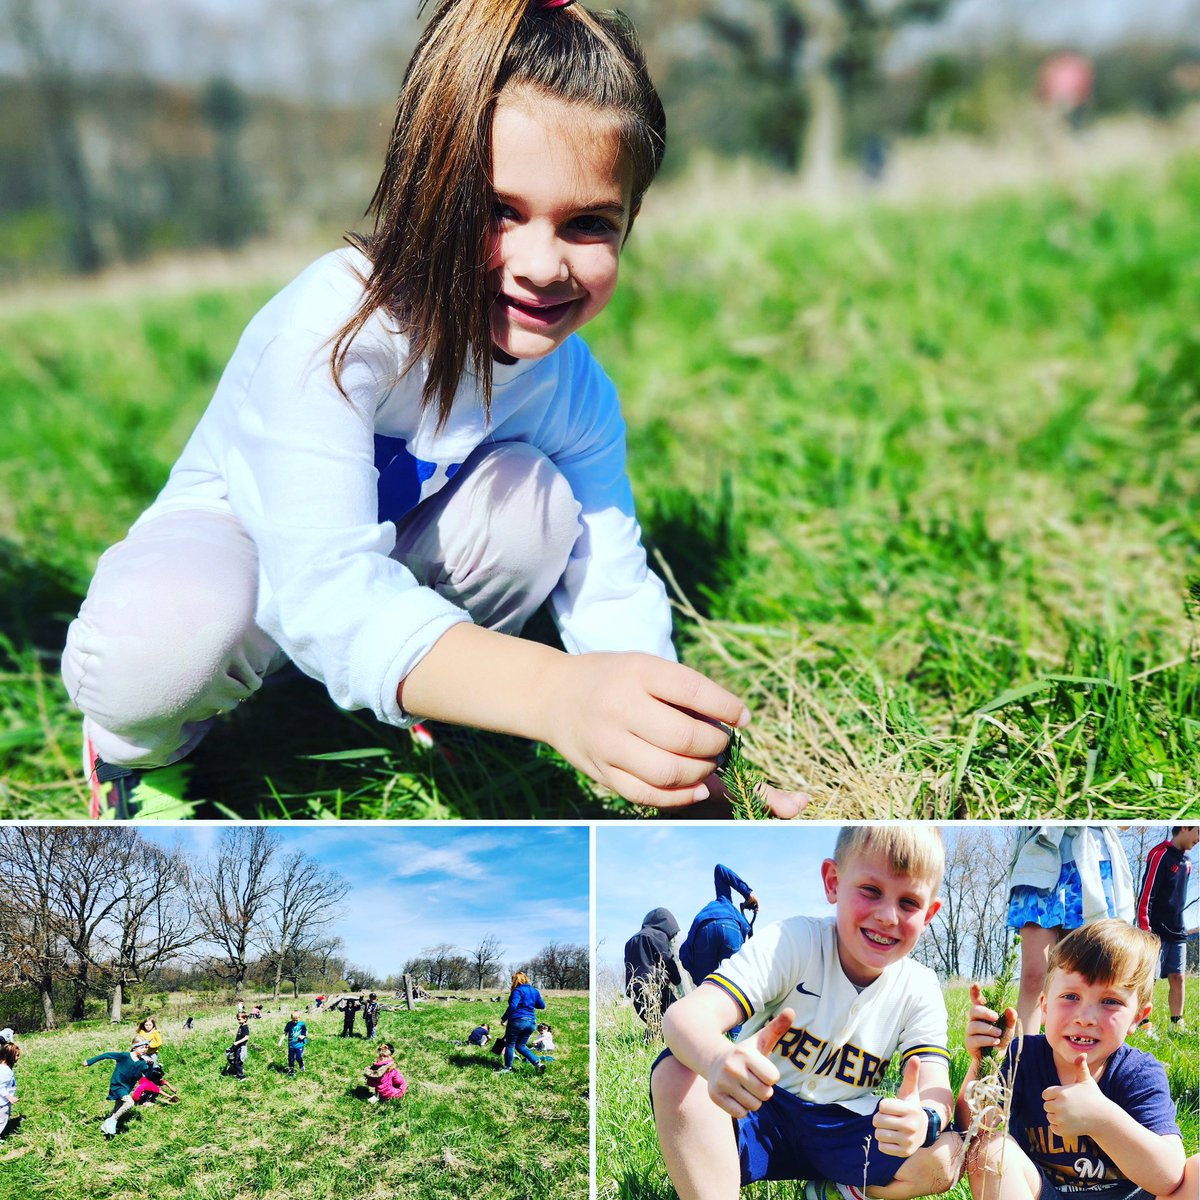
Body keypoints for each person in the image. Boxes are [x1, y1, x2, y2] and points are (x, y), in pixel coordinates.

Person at [62, 0, 808, 823]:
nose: (541, 265)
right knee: (163, 638)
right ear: (427, 187)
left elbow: (612, 594)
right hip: (239, 568)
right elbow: (325, 595)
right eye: (499, 210)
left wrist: (683, 768)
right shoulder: (337, 329)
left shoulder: (574, 389)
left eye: (590, 223)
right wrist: (554, 694)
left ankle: (432, 695)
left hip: (373, 580)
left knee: (537, 505)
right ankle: (136, 752)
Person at [651, 827, 959, 1200]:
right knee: (676, 1072)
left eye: (909, 902)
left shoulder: (921, 986)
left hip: (845, 1128)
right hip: (757, 1106)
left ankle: (839, 1190)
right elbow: (685, 1017)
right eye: (871, 891)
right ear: (833, 882)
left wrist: (924, 1118)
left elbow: (935, 1086)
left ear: (930, 914)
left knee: (950, 1153)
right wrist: (717, 1060)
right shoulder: (794, 941)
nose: (888, 916)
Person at [957, 918, 1186, 1200]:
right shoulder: (1021, 1058)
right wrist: (984, 1062)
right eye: (1070, 996)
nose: (1085, 1018)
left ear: (1137, 1017)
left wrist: (1102, 1119)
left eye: (1110, 1001)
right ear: (1044, 1006)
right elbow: (970, 1129)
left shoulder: (1139, 1073)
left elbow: (1169, 1177)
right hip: (1045, 1194)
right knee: (990, 1149)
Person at [1006, 826, 1135, 1036]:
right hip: (1038, 855)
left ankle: (1078, 1059)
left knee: (1084, 979)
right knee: (1034, 976)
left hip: (1091, 856)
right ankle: (1023, 1062)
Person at [1136, 826, 1198, 1030]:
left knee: (1178, 977)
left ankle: (1176, 1022)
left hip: (1178, 930)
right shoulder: (1159, 854)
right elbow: (1147, 893)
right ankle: (1144, 1023)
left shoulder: (1187, 863)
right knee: (1149, 978)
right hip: (1155, 930)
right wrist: (1145, 927)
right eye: (1197, 832)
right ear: (1184, 828)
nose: (1198, 839)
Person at [680, 863, 759, 987]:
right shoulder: (728, 904)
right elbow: (720, 868)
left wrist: (697, 975)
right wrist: (748, 894)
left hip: (704, 929)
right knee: (733, 985)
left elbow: (684, 955)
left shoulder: (718, 902)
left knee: (706, 989)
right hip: (731, 928)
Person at [624, 909, 683, 1027]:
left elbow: (628, 966)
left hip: (636, 990)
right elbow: (667, 959)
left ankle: (651, 1043)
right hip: (655, 987)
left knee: (653, 1023)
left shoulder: (630, 941)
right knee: (678, 1017)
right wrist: (676, 979)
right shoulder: (658, 936)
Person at [85, 1038, 154, 1138]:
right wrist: (89, 1061)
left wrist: (150, 1066)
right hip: (117, 1085)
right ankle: (112, 1120)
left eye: (146, 1048)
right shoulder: (124, 1056)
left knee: (117, 1107)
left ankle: (106, 1127)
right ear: (134, 1048)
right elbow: (106, 1055)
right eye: (142, 1047)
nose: (144, 1050)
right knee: (130, 1103)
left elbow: (147, 1076)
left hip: (127, 1088)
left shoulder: (142, 1063)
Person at [500, 971, 546, 1073]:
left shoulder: (517, 990)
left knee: (510, 1044)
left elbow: (513, 1006)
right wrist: (529, 1003)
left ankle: (508, 1068)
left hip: (518, 1021)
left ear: (516, 980)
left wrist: (504, 1018)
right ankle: (538, 1063)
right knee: (521, 1046)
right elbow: (542, 1006)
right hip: (531, 1022)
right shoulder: (535, 991)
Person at [0, 1042, 19, 1138]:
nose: (18, 1058)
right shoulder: (5, 1071)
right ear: (9, 1055)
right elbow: (0, 1086)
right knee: (2, 1120)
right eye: (16, 1055)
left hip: (3, 1101)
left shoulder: (3, 1068)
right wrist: (9, 1097)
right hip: (2, 1102)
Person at [282, 1011, 308, 1076]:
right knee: (290, 1058)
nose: (295, 1022)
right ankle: (291, 1071)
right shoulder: (289, 1024)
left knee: (298, 1058)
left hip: (299, 1044)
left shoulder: (302, 1024)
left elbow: (304, 1032)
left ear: (299, 1018)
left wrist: (303, 1036)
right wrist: (280, 1041)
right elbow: (285, 1033)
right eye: (293, 1020)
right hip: (291, 1044)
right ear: (291, 1018)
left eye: (296, 1020)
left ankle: (301, 1065)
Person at [230, 1012, 250, 1080]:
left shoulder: (245, 1027)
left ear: (245, 1019)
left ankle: (242, 1076)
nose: (238, 1021)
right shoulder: (241, 1026)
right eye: (237, 1019)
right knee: (235, 1061)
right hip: (238, 1047)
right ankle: (238, 1074)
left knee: (237, 1062)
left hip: (241, 1047)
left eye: (239, 1019)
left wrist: (237, 1042)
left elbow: (246, 1037)